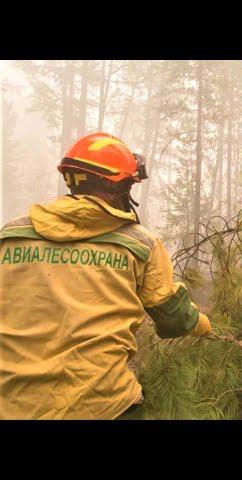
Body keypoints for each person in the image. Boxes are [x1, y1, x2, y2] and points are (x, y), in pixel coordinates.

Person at [0, 132, 212, 419]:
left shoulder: (10, 236)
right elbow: (174, 320)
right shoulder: (141, 244)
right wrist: (202, 325)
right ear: (121, 186)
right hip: (105, 406)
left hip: (14, 406)